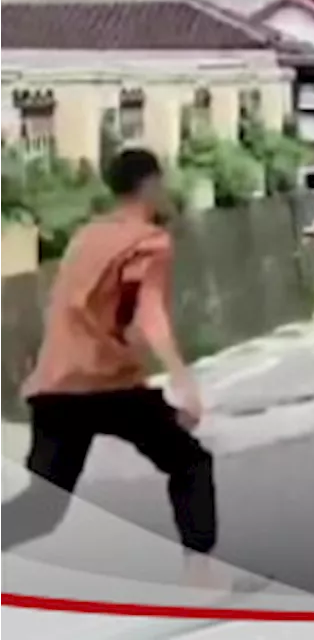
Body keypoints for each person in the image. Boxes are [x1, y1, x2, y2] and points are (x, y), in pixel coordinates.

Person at [0, 148, 225, 589]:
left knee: (44, 507)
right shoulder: (150, 240)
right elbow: (148, 316)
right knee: (190, 463)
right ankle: (202, 579)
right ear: (151, 185)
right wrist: (184, 382)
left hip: (54, 387)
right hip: (109, 387)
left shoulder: (85, 237)